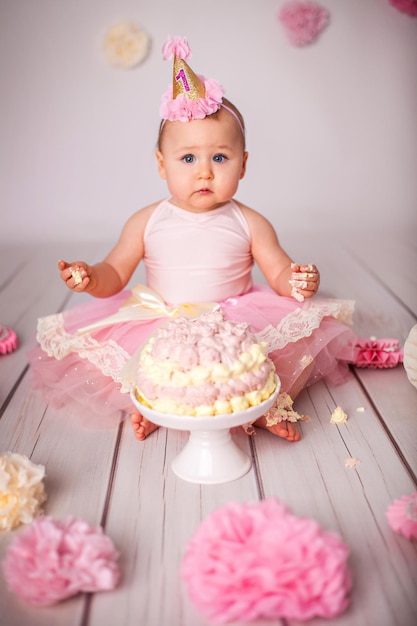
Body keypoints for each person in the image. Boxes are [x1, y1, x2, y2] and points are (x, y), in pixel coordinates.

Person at [29, 36, 356, 443]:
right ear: (162, 165)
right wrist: (91, 277)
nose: (204, 172)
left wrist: (297, 279)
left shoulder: (250, 221)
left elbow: (277, 271)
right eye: (188, 159)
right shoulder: (147, 221)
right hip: (163, 318)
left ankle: (262, 406)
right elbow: (114, 271)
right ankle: (153, 405)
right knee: (150, 364)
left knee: (262, 360)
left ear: (244, 164)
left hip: (234, 320)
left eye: (219, 158)